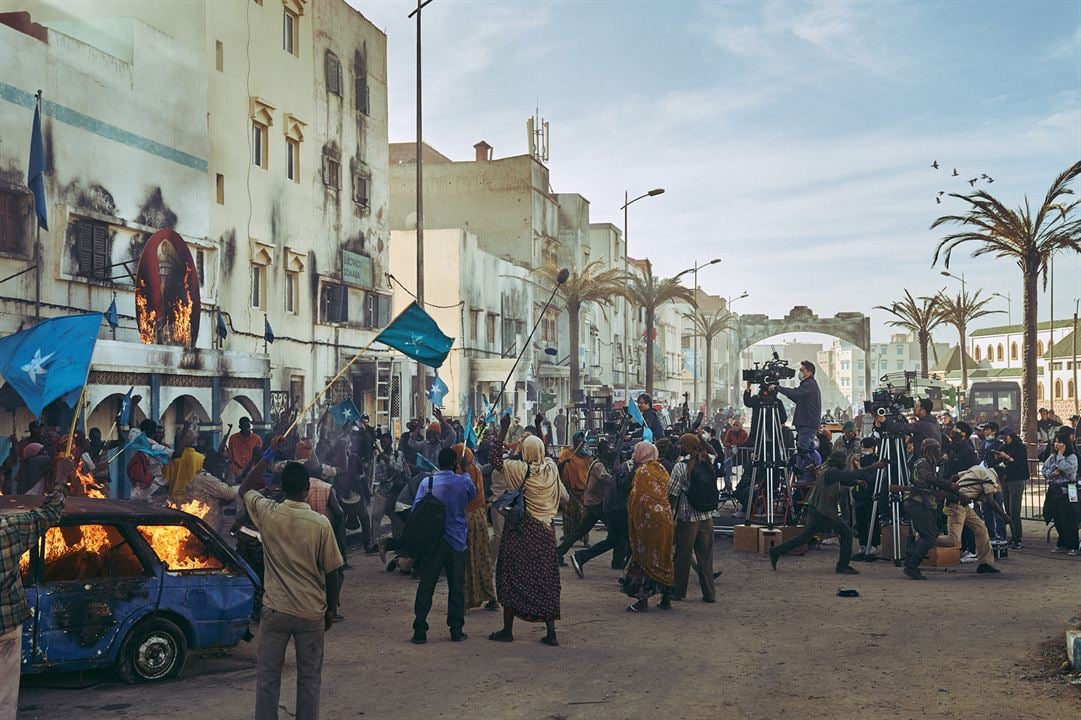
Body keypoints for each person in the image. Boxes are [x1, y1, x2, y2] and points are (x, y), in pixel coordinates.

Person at [240, 439, 344, 720]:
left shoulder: (268, 513)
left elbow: (245, 488)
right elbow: (333, 572)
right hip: (311, 612)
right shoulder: (320, 524)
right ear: (307, 490)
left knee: (268, 678)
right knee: (309, 679)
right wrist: (331, 609)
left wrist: (268, 454)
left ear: (282, 488)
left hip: (275, 610)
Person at [0, 457, 69, 718]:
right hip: (5, 628)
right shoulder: (9, 529)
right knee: (4, 698)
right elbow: (50, 512)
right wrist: (61, 479)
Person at [488, 422, 562, 646]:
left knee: (511, 576)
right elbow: (545, 453)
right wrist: (540, 429)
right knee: (545, 580)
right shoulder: (551, 469)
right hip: (545, 531)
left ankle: (507, 630)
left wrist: (502, 429)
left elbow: (495, 459)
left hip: (521, 531)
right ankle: (551, 633)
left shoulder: (518, 469)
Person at [770, 451, 886, 574]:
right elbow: (850, 475)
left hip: (816, 508)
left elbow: (842, 479)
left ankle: (776, 551)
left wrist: (856, 482)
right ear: (839, 462)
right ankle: (842, 566)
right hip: (824, 510)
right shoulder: (832, 471)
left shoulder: (828, 469)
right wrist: (874, 466)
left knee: (804, 537)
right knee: (846, 533)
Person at [410, 448, 476, 644]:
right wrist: (464, 470)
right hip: (456, 540)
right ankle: (456, 629)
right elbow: (473, 496)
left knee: (426, 586)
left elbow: (416, 509)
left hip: (432, 542)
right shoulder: (463, 481)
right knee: (456, 586)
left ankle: (420, 629)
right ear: (455, 463)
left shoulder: (427, 482)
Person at [622, 442, 675, 612]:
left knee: (644, 558)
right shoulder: (661, 469)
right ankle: (666, 599)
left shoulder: (642, 472)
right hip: (665, 520)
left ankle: (642, 600)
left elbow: (637, 498)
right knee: (664, 557)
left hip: (648, 523)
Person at [667, 434, 717, 603]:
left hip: (688, 517)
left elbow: (672, 494)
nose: (678, 447)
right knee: (705, 556)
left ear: (685, 447)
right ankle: (709, 593)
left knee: (683, 555)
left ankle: (678, 591)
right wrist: (701, 439)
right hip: (707, 516)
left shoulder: (680, 467)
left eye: (681, 444)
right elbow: (714, 453)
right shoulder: (708, 460)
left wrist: (668, 515)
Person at [899, 439, 956, 580]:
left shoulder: (929, 463)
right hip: (916, 503)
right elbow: (929, 479)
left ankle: (910, 559)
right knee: (929, 536)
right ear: (929, 450)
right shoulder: (923, 463)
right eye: (936, 449)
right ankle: (911, 566)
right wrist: (948, 485)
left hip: (921, 503)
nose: (939, 452)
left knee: (931, 533)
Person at [455, 443, 497, 612]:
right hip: (479, 516)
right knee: (482, 558)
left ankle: (466, 599)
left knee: (465, 560)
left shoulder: (458, 474)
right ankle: (490, 596)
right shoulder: (477, 471)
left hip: (463, 518)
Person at [942, 465, 1005, 574]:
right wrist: (1005, 516)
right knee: (953, 540)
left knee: (981, 530)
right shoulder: (990, 479)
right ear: (1001, 476)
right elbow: (991, 502)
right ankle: (925, 540)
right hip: (957, 505)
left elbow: (954, 476)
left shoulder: (978, 468)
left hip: (963, 505)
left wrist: (949, 488)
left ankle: (984, 564)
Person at [564, 440, 613, 575]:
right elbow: (605, 479)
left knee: (579, 531)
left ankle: (560, 551)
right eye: (608, 450)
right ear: (602, 451)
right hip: (596, 503)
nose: (610, 452)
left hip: (594, 502)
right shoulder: (598, 465)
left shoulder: (599, 463)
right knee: (616, 533)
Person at [773, 360, 821, 460]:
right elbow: (797, 397)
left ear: (809, 372)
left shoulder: (809, 384)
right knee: (809, 450)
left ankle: (806, 471)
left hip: (807, 424)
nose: (800, 373)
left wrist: (777, 388)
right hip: (806, 423)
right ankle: (813, 468)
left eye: (802, 370)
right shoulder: (807, 385)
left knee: (803, 450)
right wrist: (784, 392)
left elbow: (796, 393)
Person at [990, 428, 1029, 549]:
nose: (1004, 440)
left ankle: (1018, 538)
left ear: (1011, 436)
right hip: (1006, 480)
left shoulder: (1019, 447)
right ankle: (1013, 537)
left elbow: (1020, 464)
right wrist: (998, 457)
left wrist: (1007, 457)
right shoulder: (1003, 447)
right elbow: (999, 461)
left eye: (1006, 437)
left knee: (1014, 511)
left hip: (1016, 480)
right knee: (1008, 510)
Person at [557, 432, 593, 554]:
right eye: (577, 441)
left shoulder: (587, 456)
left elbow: (589, 470)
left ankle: (585, 540)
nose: (579, 443)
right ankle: (568, 537)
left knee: (584, 515)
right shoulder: (567, 453)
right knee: (569, 514)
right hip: (570, 488)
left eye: (581, 441)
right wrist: (564, 462)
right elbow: (559, 467)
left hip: (583, 488)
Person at [1044, 433, 1079, 554]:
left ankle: (1074, 544)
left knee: (1068, 518)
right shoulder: (1052, 457)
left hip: (1068, 491)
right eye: (1055, 442)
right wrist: (1053, 473)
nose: (1056, 444)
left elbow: (1067, 468)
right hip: (1054, 490)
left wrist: (1060, 456)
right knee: (1058, 518)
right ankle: (1062, 542)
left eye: (1059, 442)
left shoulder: (1072, 456)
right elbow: (1045, 470)